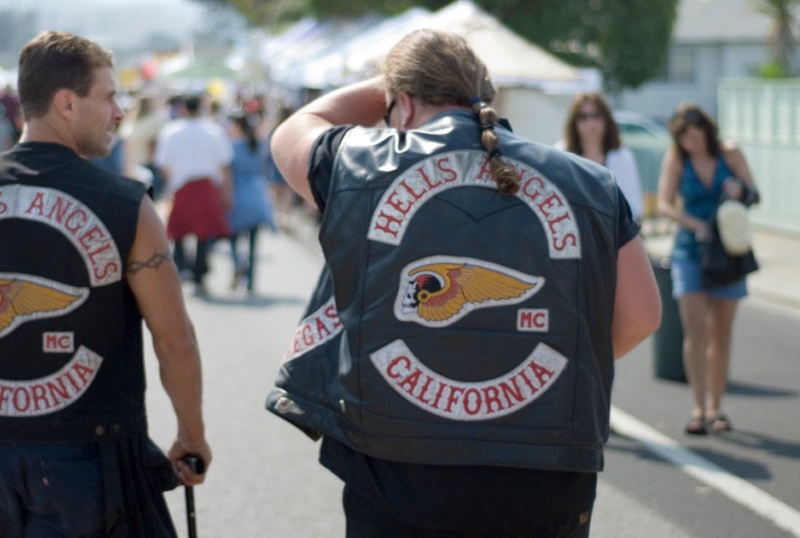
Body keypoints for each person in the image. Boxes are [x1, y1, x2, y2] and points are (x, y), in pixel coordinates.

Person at [267, 29, 661, 537]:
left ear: (403, 106)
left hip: (398, 469)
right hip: (547, 477)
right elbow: (642, 315)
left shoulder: (359, 164)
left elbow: (295, 130)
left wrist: (385, 87)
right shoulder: (592, 183)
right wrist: (553, 361)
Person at [0, 30, 211, 537]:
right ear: (66, 103)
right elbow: (174, 339)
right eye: (108, 97)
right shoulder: (126, 205)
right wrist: (192, 434)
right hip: (92, 462)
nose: (120, 112)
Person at [656, 103, 759, 435]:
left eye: (693, 135)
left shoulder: (729, 153)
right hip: (690, 250)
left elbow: (754, 193)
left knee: (721, 332)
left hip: (727, 252)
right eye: (683, 137)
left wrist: (739, 190)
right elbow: (663, 203)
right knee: (695, 329)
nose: (690, 143)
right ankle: (698, 407)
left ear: (706, 130)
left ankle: (717, 407)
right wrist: (693, 223)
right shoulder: (677, 158)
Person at [154, 93, 233, 296]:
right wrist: (226, 191)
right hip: (206, 186)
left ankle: (182, 266)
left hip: (181, 186)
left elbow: (162, 163)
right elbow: (224, 165)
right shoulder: (214, 131)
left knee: (178, 231)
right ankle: (199, 272)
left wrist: (173, 181)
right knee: (204, 233)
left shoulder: (171, 132)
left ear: (183, 109)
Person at [558, 93, 645, 222]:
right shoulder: (561, 153)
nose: (590, 123)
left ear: (606, 119)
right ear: (573, 122)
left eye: (596, 115)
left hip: (614, 235)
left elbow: (635, 208)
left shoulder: (622, 156)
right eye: (583, 117)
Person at [225, 112, 274, 293]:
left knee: (233, 238)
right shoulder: (259, 145)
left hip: (238, 196)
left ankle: (238, 264)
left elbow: (226, 175)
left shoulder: (232, 147)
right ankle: (252, 282)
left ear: (237, 126)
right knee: (254, 244)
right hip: (258, 196)